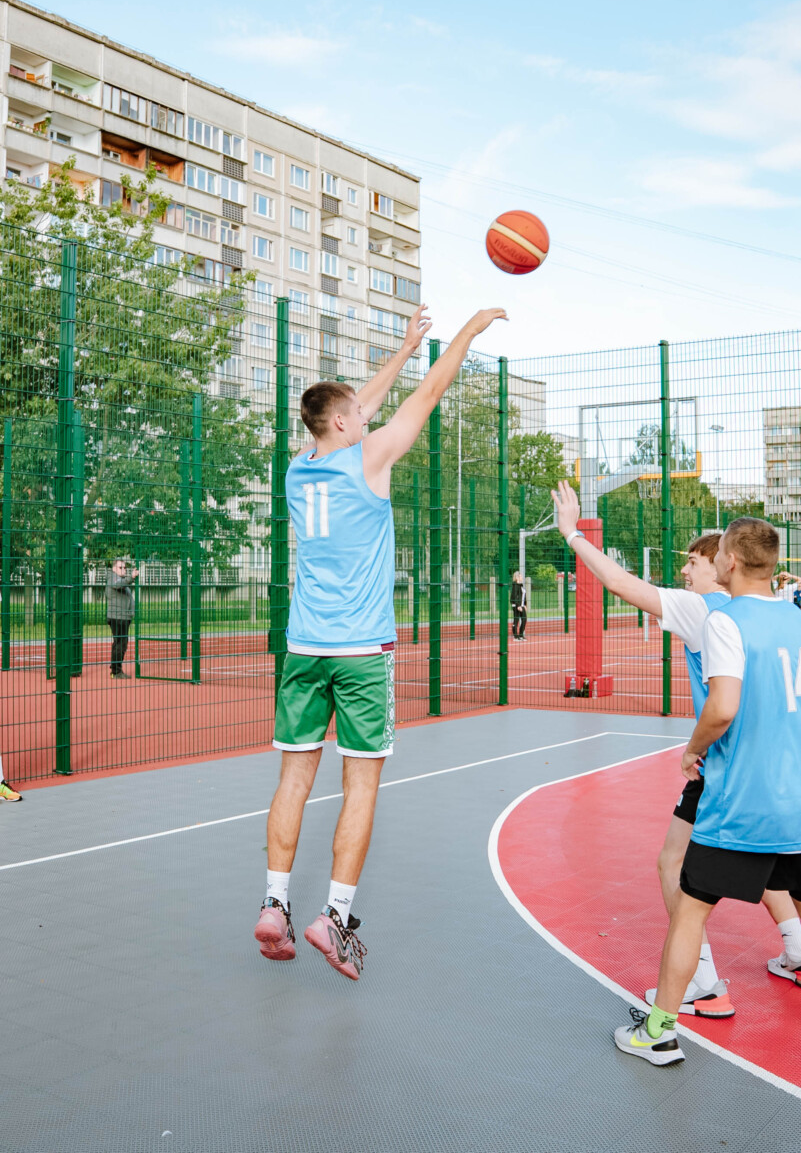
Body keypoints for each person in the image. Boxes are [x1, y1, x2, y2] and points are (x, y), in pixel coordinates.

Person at [254, 303, 508, 980]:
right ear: (343, 424)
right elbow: (431, 393)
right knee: (360, 783)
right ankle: (334, 917)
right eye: (358, 415)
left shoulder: (299, 468)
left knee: (293, 777)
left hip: (304, 648)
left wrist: (402, 349)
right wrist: (465, 334)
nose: (367, 417)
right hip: (361, 652)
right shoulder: (369, 459)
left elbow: (352, 406)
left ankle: (275, 903)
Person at [551, 482, 798, 1016]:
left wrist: (572, 533)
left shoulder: (706, 611)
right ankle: (796, 948)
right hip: (787, 775)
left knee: (675, 869)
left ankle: (698, 988)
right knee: (771, 857)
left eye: (694, 560)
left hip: (730, 772)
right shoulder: (787, 614)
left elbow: (619, 582)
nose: (685, 570)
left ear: (725, 563)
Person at [614, 517, 801, 1065]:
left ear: (731, 562)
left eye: (715, 553)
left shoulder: (725, 620)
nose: (708, 559)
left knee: (691, 911)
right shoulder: (794, 617)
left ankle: (660, 1031)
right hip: (795, 797)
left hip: (741, 799)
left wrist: (692, 749)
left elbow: (722, 707)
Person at [106, 557, 138, 679]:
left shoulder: (121, 580)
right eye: (120, 567)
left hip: (123, 617)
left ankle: (115, 667)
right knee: (120, 644)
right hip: (117, 617)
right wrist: (132, 577)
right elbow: (119, 585)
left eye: (125, 567)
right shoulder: (113, 578)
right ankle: (116, 671)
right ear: (114, 569)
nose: (123, 569)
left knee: (120, 643)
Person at [511, 570, 527, 641]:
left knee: (524, 619)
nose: (522, 577)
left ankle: (521, 635)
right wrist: (518, 605)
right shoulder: (515, 586)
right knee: (516, 620)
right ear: (517, 577)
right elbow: (514, 597)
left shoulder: (521, 585)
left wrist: (525, 604)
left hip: (522, 605)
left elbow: (523, 596)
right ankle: (515, 636)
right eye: (520, 576)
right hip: (516, 605)